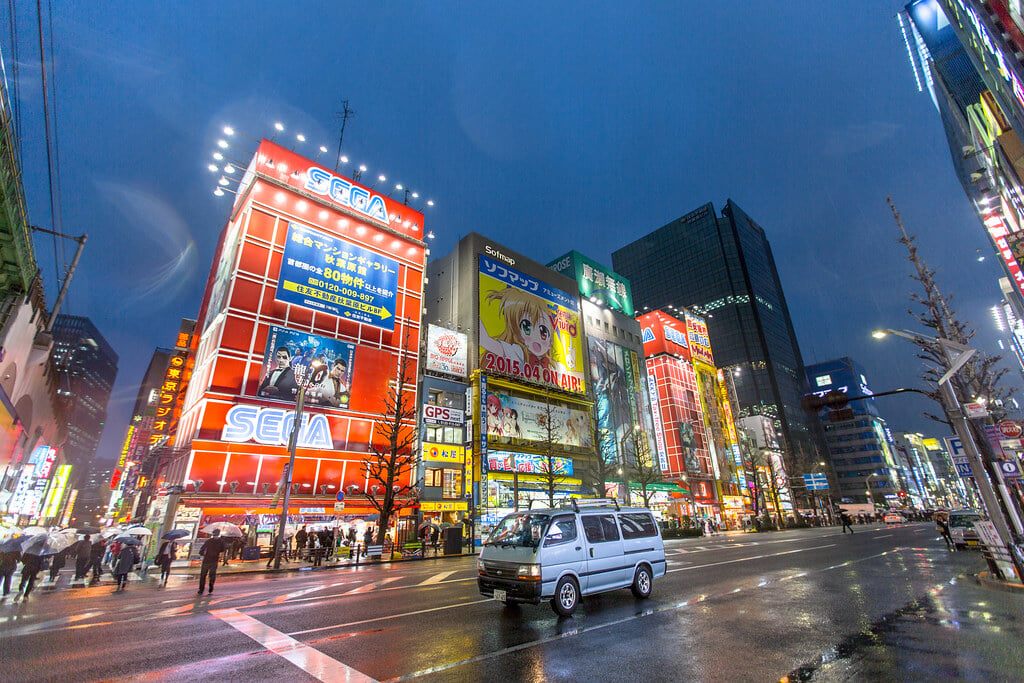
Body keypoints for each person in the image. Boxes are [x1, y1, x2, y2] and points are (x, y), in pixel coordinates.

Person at [198, 530, 226, 595]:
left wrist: (203, 554)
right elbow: (222, 550)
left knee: (203, 575)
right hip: (213, 560)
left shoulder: (209, 541)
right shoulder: (221, 542)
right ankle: (210, 587)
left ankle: (201, 589)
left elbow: (202, 550)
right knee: (212, 575)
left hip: (207, 560)